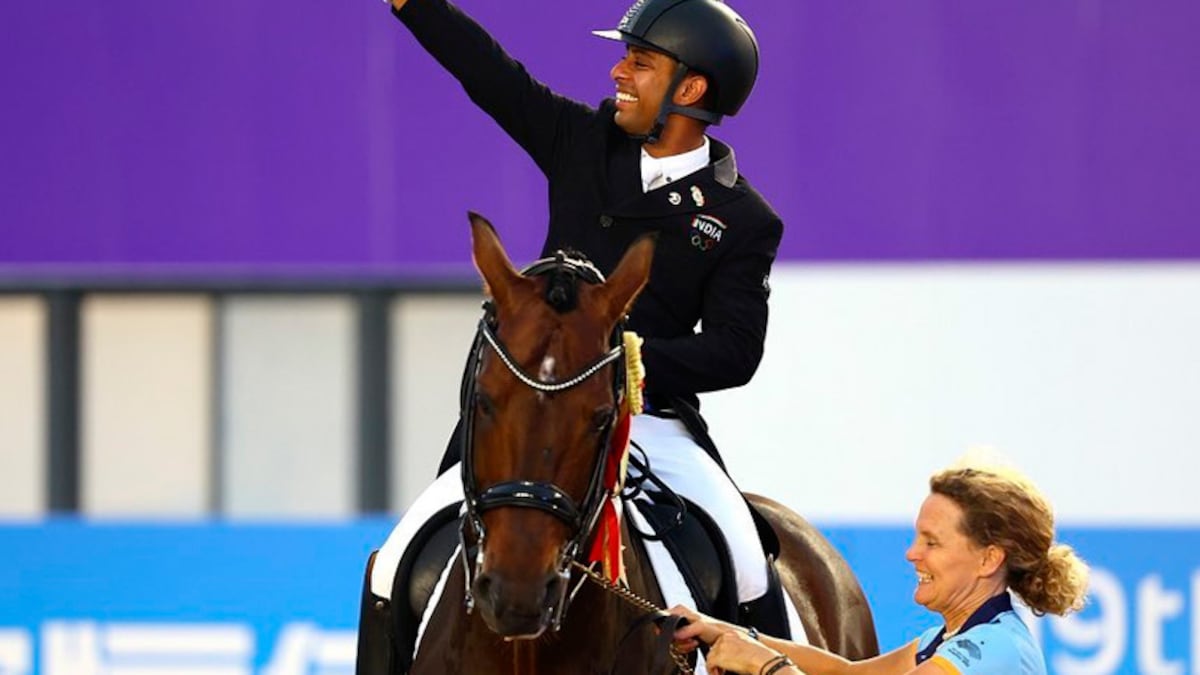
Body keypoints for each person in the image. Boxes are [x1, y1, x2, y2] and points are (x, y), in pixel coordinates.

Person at [366, 0, 791, 651]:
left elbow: (735, 351)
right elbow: (491, 74)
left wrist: (622, 362)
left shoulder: (741, 217)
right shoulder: (581, 140)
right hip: (525, 410)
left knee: (746, 557)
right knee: (396, 560)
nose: (619, 71)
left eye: (640, 62)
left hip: (648, 417)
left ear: (692, 87)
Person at [671, 464, 1090, 675]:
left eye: (932, 542)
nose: (912, 554)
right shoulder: (949, 639)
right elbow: (844, 671)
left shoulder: (993, 650)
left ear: (989, 559)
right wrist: (727, 632)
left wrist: (766, 665)